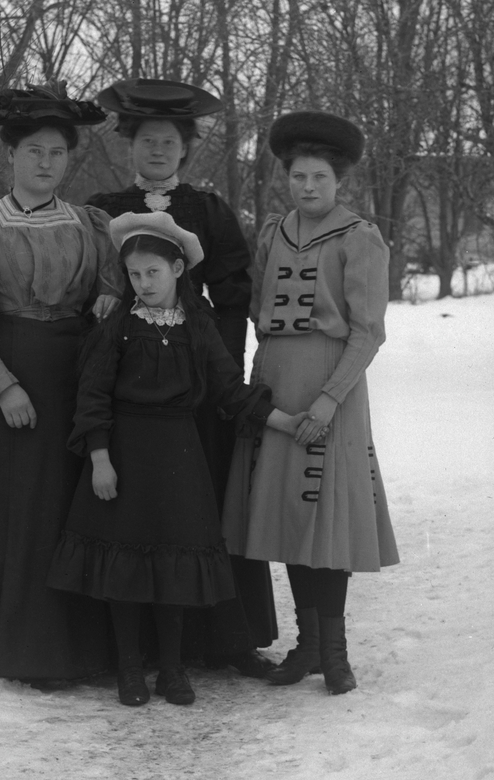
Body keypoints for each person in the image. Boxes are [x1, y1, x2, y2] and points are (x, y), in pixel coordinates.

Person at [46, 212, 307, 707]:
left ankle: (171, 669)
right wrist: (100, 460)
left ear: (178, 269)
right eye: (134, 274)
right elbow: (93, 398)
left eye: (153, 272)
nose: (143, 284)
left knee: (175, 564)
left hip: (180, 458)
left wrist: (284, 422)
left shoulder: (198, 326)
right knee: (124, 567)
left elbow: (230, 389)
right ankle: (129, 670)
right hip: (125, 456)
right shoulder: (118, 327)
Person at [0, 83, 123, 682]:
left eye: (57, 153)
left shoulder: (91, 225)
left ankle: (56, 646)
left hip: (70, 382)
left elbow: (113, 288)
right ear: (11, 155)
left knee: (57, 507)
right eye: (34, 150)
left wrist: (109, 299)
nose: (46, 162)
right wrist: (3, 386)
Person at [88, 78, 279, 677]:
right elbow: (89, 286)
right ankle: (129, 647)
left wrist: (217, 369)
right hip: (129, 388)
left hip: (196, 388)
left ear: (184, 149)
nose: (158, 150)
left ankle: (227, 641)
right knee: (129, 511)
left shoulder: (209, 209)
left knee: (205, 508)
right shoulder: (103, 208)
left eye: (169, 141)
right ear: (129, 144)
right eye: (148, 140)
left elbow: (234, 291)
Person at [222, 110, 399, 695]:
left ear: (338, 180)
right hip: (277, 380)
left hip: (332, 384)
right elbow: (260, 313)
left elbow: (368, 332)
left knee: (326, 520)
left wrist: (328, 400)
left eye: (319, 176)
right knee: (289, 520)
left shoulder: (358, 237)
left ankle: (336, 653)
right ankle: (308, 646)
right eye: (298, 176)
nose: (308, 187)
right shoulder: (274, 232)